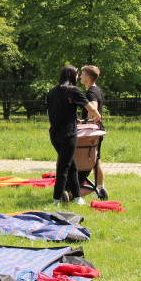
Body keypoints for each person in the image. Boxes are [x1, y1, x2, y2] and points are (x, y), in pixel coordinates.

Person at [47, 65, 102, 207]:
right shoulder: (73, 91)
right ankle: (56, 199)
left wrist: (71, 118)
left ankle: (78, 198)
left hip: (54, 134)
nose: (78, 77)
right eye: (77, 75)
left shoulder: (52, 91)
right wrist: (97, 116)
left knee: (72, 165)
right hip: (69, 135)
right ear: (72, 76)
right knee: (64, 167)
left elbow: (50, 113)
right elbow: (90, 107)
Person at [79, 65, 108, 199]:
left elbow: (93, 110)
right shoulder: (98, 90)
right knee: (97, 159)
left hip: (93, 131)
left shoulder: (91, 92)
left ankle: (92, 187)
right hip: (99, 129)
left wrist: (85, 122)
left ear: (89, 77)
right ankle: (100, 188)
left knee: (92, 160)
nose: (80, 77)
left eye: (83, 74)